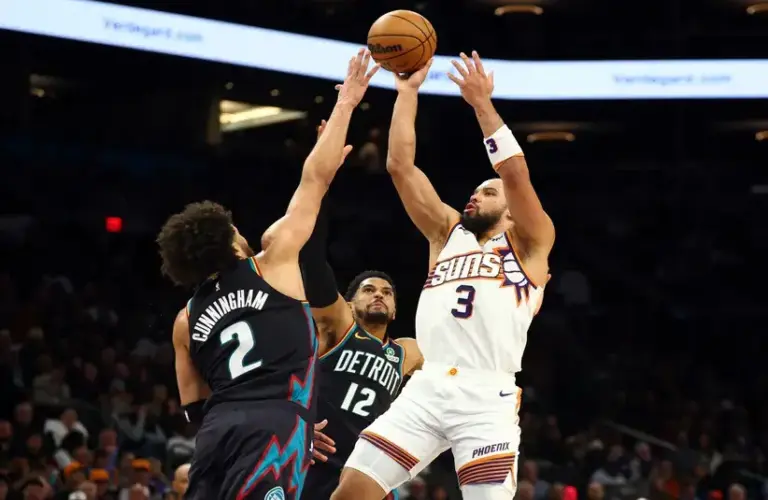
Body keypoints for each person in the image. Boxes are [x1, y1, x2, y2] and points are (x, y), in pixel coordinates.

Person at [156, 49, 379, 500]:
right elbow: (314, 179)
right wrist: (347, 102)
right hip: (276, 424)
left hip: (216, 434)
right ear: (230, 240)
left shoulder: (185, 319)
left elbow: (194, 407)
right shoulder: (273, 259)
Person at [331, 52, 554, 500]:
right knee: (351, 492)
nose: (474, 197)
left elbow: (513, 172)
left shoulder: (532, 243)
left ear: (511, 210)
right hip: (428, 385)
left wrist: (481, 105)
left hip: (485, 394)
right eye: (474, 191)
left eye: (487, 192)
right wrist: (406, 93)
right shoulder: (446, 234)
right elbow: (400, 167)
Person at [273, 135, 421, 498]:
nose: (379, 295)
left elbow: (459, 365)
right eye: (369, 290)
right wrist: (321, 183)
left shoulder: (408, 352)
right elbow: (312, 261)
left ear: (395, 310)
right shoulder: (340, 326)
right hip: (318, 454)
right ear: (350, 303)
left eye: (387, 292)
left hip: (369, 468)